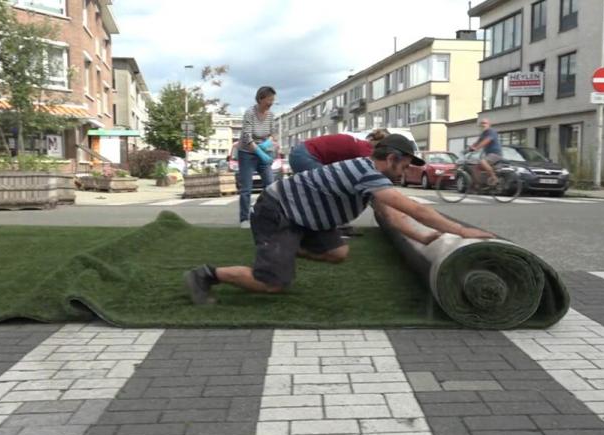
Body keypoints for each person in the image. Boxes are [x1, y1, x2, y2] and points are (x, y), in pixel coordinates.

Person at [184, 134, 494, 305]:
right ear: (392, 159)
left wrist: (425, 239)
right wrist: (463, 231)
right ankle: (205, 275)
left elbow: (394, 217)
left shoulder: (371, 176)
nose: (409, 170)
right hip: (277, 212)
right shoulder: (366, 172)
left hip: (304, 218)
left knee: (338, 252)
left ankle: (288, 249)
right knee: (273, 284)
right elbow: (416, 210)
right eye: (408, 164)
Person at [238, 86, 280, 229]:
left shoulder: (271, 115)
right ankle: (244, 218)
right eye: (269, 99)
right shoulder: (250, 113)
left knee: (271, 186)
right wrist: (259, 151)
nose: (271, 102)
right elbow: (246, 136)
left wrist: (269, 144)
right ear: (261, 98)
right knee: (246, 189)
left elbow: (274, 134)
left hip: (263, 152)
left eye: (273, 100)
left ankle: (270, 216)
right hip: (247, 153)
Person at [288, 129, 389, 173]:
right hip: (307, 155)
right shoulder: (367, 151)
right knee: (324, 186)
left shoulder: (361, 144)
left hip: (302, 151)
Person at [468, 118, 502, 185]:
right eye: (482, 123)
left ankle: (494, 178)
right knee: (475, 168)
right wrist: (470, 148)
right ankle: (480, 185)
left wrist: (476, 148)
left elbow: (486, 141)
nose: (483, 125)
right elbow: (477, 142)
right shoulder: (483, 134)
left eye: (485, 123)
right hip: (489, 155)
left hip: (495, 154)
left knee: (483, 161)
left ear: (489, 125)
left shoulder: (491, 132)